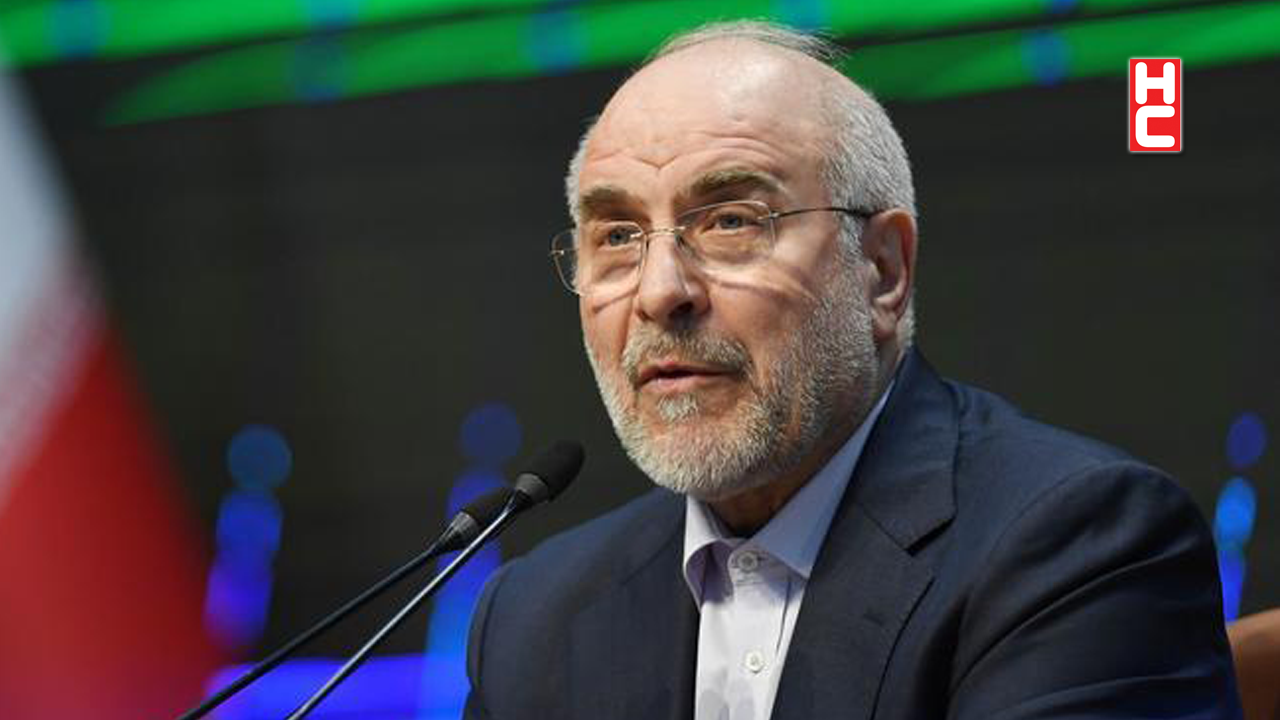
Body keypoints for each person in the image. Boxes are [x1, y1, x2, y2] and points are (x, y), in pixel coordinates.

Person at [464, 20, 1241, 720]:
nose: (660, 292)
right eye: (617, 237)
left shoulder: (1077, 548)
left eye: (731, 221)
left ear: (882, 269)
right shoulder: (533, 617)